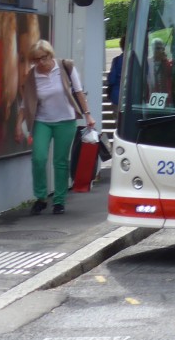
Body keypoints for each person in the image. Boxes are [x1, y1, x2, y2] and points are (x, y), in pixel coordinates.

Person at [15, 40, 95, 215]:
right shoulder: (32, 75)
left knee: (60, 161)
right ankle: (41, 197)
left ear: (50, 55)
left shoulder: (65, 67)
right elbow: (25, 103)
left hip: (65, 121)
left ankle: (59, 200)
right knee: (38, 158)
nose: (40, 63)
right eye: (36, 60)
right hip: (42, 121)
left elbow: (79, 92)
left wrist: (88, 114)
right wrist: (18, 126)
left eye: (43, 58)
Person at [106, 37, 125, 125]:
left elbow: (112, 80)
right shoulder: (136, 60)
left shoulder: (117, 60)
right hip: (132, 98)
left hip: (117, 96)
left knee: (118, 123)